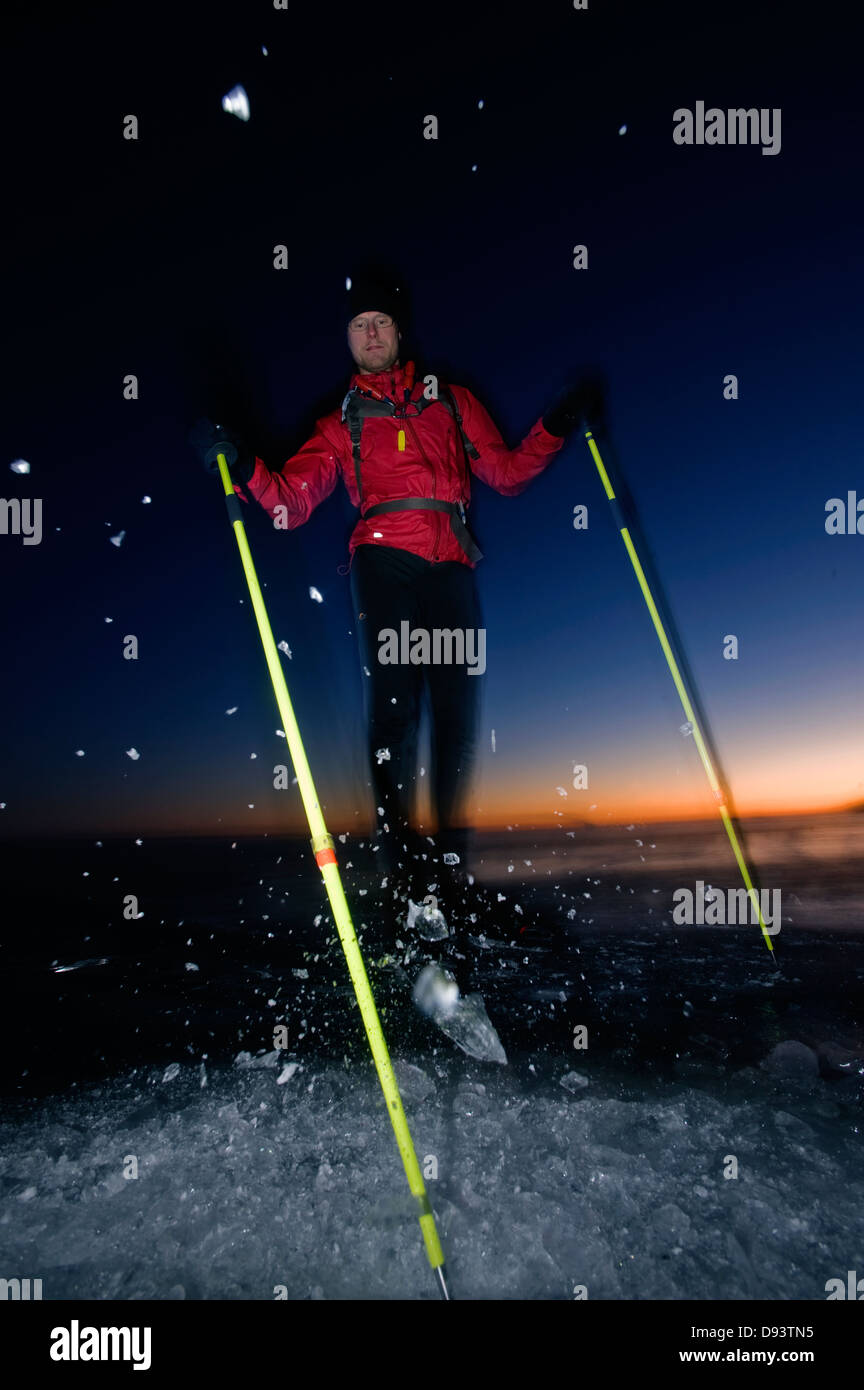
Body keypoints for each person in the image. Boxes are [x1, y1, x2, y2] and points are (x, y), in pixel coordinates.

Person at [193, 272, 603, 938]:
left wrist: (559, 419)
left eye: (382, 321)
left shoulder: (451, 402)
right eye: (360, 324)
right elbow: (289, 504)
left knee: (455, 722)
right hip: (383, 560)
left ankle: (446, 880)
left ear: (400, 330)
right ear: (347, 337)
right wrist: (236, 462)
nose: (372, 333)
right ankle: (408, 883)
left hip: (452, 565)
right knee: (395, 709)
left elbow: (507, 473)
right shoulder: (341, 421)